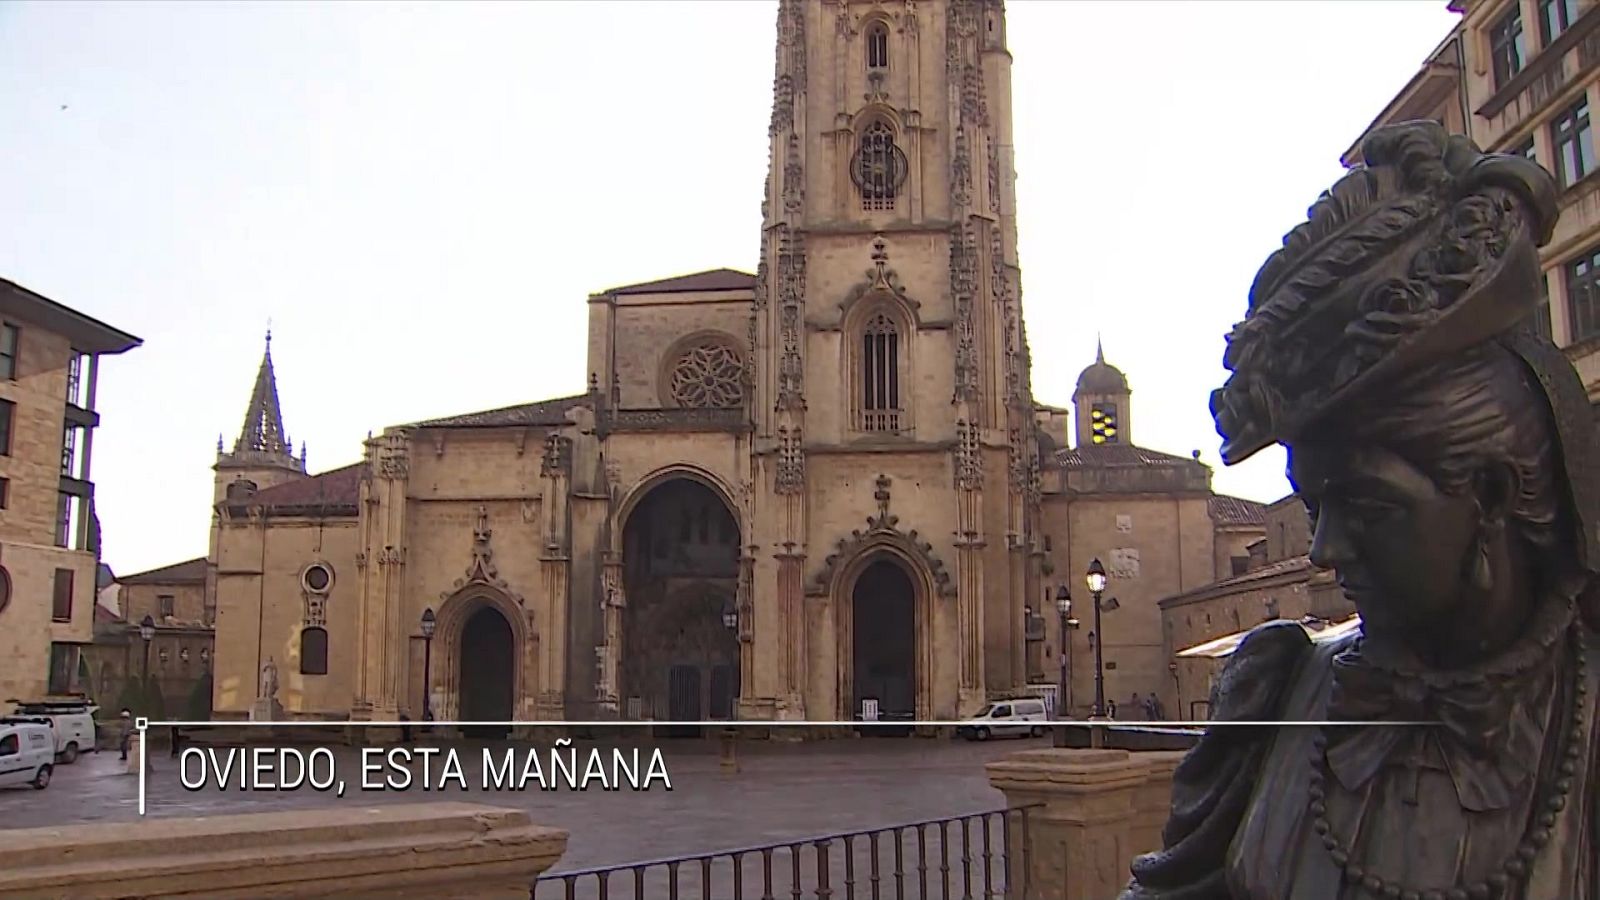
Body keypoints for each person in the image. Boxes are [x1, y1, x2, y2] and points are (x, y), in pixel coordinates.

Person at [1122, 121, 1598, 899]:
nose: (1324, 551)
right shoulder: (1273, 695)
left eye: (1365, 505)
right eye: (1313, 506)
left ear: (1492, 494)